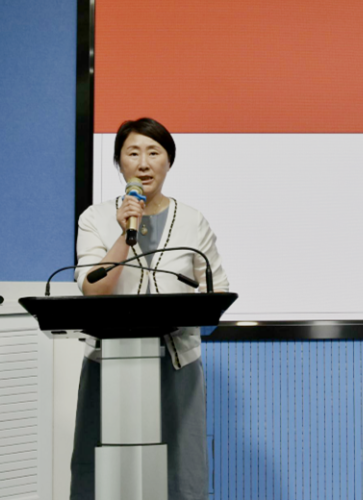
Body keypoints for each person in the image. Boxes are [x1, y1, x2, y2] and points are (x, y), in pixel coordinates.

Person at [70, 117, 229, 500]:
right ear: (119, 162)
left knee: (178, 473)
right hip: (108, 364)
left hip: (176, 365)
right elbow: (93, 287)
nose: (143, 164)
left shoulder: (192, 220)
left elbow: (216, 290)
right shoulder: (94, 218)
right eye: (133, 153)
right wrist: (124, 234)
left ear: (168, 161)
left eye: (154, 153)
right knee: (105, 473)